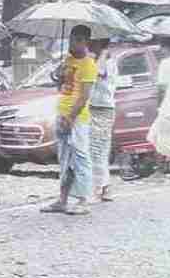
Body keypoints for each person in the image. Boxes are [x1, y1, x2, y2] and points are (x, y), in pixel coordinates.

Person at [41, 25, 97, 216]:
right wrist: (59, 74)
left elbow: (84, 96)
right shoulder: (68, 60)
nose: (74, 43)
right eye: (72, 39)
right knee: (64, 159)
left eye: (79, 39)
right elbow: (62, 86)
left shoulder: (89, 65)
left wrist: (71, 117)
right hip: (61, 112)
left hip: (77, 118)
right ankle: (62, 199)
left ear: (86, 42)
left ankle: (83, 200)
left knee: (81, 158)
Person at [88, 38, 116, 202]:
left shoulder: (106, 61)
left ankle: (98, 189)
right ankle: (105, 188)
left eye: (93, 42)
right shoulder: (96, 59)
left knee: (97, 149)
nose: (90, 45)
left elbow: (99, 72)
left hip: (102, 109)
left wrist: (103, 53)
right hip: (93, 107)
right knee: (97, 150)